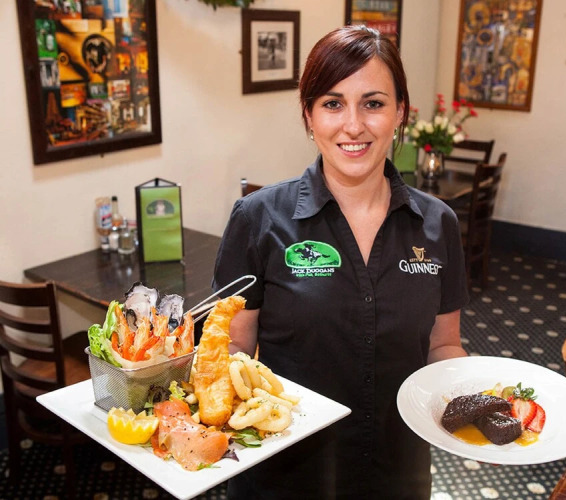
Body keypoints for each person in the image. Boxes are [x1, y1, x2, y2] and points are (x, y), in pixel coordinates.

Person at [212, 25, 469, 499]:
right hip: (286, 474)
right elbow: (230, 351)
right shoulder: (257, 219)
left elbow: (443, 345)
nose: (353, 125)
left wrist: (480, 400)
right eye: (333, 103)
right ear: (308, 115)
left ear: (400, 113)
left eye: (373, 103)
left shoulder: (438, 224)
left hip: (398, 473)